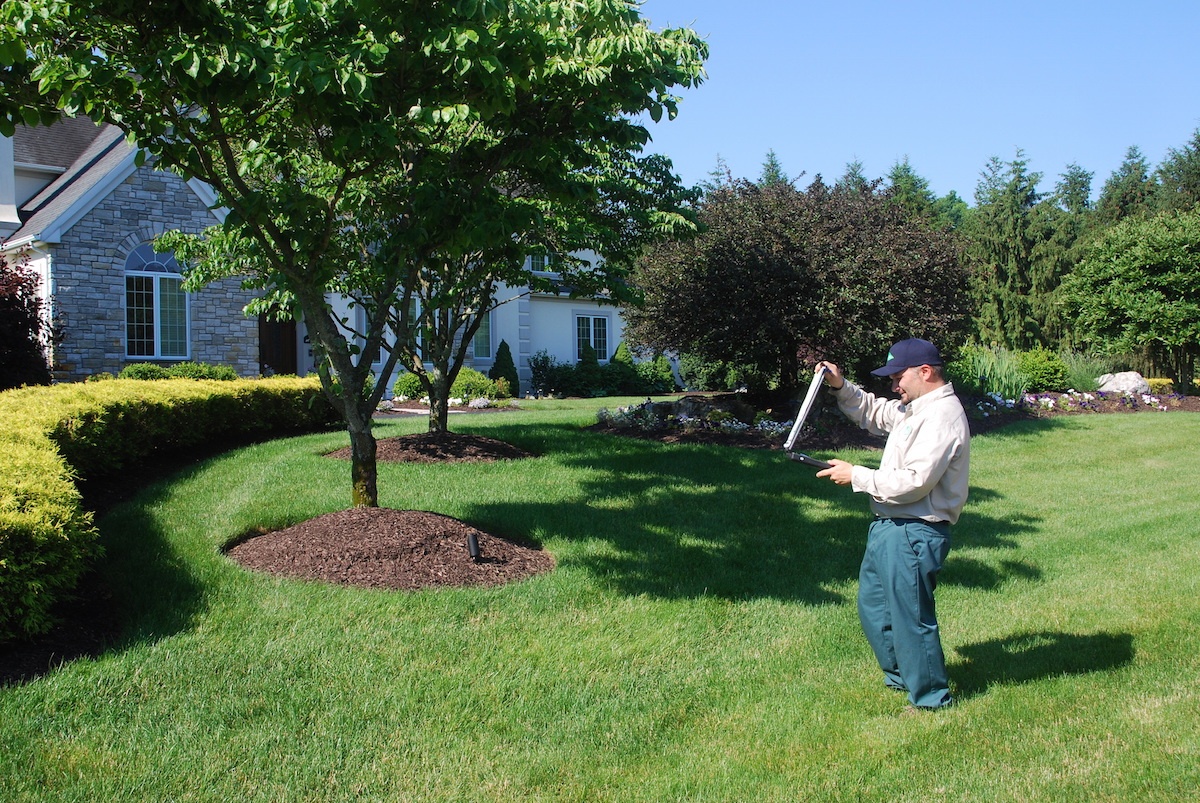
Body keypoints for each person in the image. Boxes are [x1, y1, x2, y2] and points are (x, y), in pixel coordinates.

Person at [815, 338, 969, 711]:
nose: (894, 385)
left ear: (925, 372)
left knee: (910, 619)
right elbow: (873, 412)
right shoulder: (915, 408)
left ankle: (932, 699)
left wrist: (857, 475)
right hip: (889, 526)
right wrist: (840, 385)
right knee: (875, 608)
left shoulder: (941, 417)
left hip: (916, 530)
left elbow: (915, 482)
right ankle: (903, 675)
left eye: (898, 376)